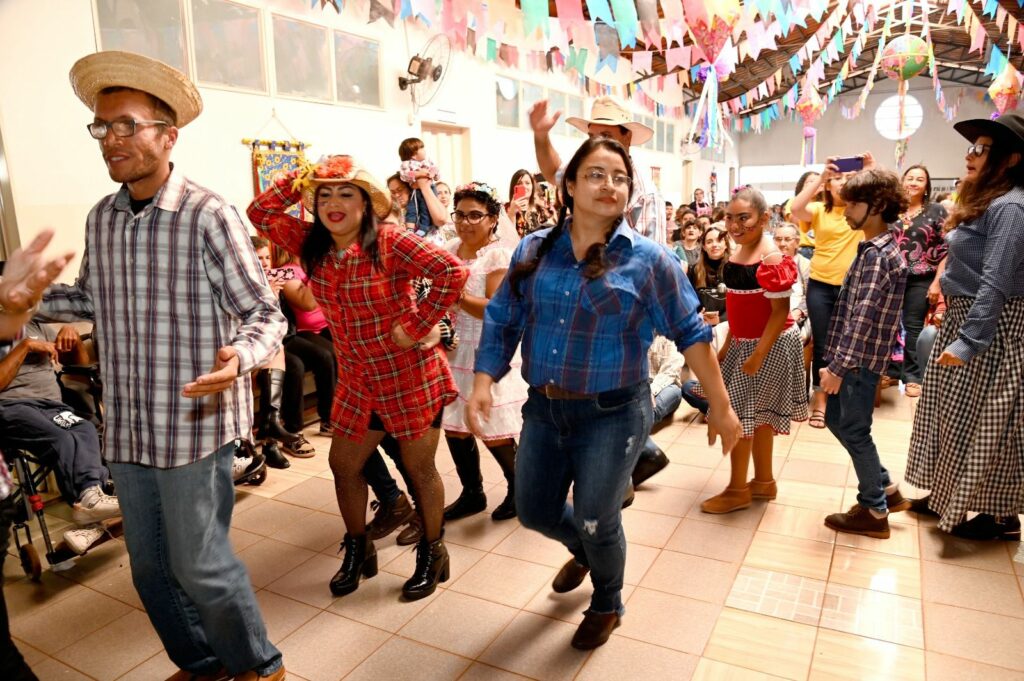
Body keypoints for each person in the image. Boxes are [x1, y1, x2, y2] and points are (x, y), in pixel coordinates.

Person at [41, 51, 287, 680]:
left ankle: (258, 667)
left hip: (193, 422)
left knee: (201, 565)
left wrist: (240, 358)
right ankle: (203, 663)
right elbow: (90, 300)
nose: (111, 139)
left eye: (127, 125)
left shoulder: (208, 215)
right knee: (149, 568)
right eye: (102, 126)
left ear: (168, 135)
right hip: (128, 425)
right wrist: (27, 296)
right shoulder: (103, 218)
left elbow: (265, 313)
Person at [466, 137, 741, 650]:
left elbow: (692, 334)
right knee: (534, 509)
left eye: (619, 177)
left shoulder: (649, 260)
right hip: (544, 408)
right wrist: (483, 378)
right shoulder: (534, 249)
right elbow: (504, 316)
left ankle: (607, 601)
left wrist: (721, 408)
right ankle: (587, 552)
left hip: (614, 413)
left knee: (597, 517)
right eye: (595, 174)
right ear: (569, 185)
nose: (609, 185)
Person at [247, 154, 468, 600]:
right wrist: (298, 178)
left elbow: (451, 271)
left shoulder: (389, 240)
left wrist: (417, 325)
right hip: (357, 380)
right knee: (344, 465)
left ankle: (433, 551)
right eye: (324, 195)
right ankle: (359, 547)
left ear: (366, 203)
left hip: (409, 376)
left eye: (346, 193)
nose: (334, 203)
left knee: (419, 469)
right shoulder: (311, 242)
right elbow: (260, 213)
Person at [905, 112, 1024, 540]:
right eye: (971, 147)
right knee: (951, 414)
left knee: (990, 420)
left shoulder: (1011, 206)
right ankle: (945, 495)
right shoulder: (989, 200)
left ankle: (1000, 515)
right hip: (965, 317)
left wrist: (969, 341)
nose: (970, 155)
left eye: (981, 149)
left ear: (1010, 159)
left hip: (991, 326)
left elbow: (996, 280)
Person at [699, 187, 808, 514]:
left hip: (769, 344)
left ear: (763, 218)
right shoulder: (740, 251)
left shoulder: (771, 257)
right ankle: (763, 481)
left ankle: (737, 490)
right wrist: (728, 346)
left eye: (743, 218)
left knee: (740, 417)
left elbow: (779, 313)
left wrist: (759, 353)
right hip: (746, 342)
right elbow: (740, 309)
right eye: (730, 218)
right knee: (757, 418)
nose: (735, 225)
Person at [819, 169, 912, 538]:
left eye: (853, 204)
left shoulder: (877, 255)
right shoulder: (879, 248)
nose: (845, 211)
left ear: (877, 205)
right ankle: (885, 487)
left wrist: (838, 367)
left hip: (858, 363)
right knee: (836, 420)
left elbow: (862, 318)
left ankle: (874, 510)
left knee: (855, 431)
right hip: (859, 360)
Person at [0, 229, 74, 681]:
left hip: (53, 403)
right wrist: (24, 341)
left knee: (81, 427)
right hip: (17, 410)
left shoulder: (29, 317)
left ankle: (92, 492)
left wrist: (57, 325)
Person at [440, 182, 527, 522]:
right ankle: (472, 493)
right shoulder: (449, 248)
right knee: (455, 426)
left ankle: (519, 489)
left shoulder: (498, 256)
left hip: (486, 346)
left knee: (491, 427)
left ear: (492, 219)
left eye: (475, 215)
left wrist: (455, 296)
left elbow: (494, 308)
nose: (465, 222)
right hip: (453, 348)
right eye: (460, 214)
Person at [0, 319, 120, 553]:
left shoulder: (37, 325)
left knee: (84, 429)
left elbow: (78, 364)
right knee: (62, 439)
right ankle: (89, 508)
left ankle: (90, 505)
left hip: (52, 407)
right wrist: (25, 346)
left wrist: (72, 337)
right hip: (12, 407)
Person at [790, 155, 870, 429]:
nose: (842, 182)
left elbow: (885, 202)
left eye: (847, 178)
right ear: (828, 185)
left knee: (851, 344)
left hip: (853, 286)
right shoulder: (818, 210)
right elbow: (795, 208)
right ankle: (821, 402)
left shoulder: (861, 209)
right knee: (823, 345)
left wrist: (870, 170)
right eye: (837, 178)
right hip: (820, 285)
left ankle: (845, 401)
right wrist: (821, 178)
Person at [529, 95, 667, 245]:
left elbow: (653, 257)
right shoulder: (583, 172)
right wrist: (541, 136)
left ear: (627, 137)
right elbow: (554, 172)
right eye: (591, 137)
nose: (596, 144)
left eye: (606, 136)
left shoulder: (645, 195)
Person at [885, 165, 947, 397]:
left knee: (912, 326)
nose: (913, 182)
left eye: (919, 179)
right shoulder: (891, 208)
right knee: (888, 324)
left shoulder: (937, 211)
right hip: (890, 277)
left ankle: (912, 376)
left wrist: (937, 283)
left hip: (921, 278)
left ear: (926, 186)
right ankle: (890, 371)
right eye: (909, 178)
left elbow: (947, 249)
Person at [681, 225, 731, 416]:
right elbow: (688, 301)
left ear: (726, 244)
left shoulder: (735, 268)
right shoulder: (695, 270)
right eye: (709, 241)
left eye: (719, 240)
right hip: (703, 324)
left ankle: (719, 405)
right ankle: (717, 404)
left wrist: (720, 321)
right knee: (688, 389)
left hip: (729, 326)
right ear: (703, 246)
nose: (714, 245)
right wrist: (697, 315)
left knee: (720, 330)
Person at [398, 137, 448, 242]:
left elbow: (435, 170)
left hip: (430, 188)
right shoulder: (407, 164)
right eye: (421, 148)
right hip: (415, 191)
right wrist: (418, 173)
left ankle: (423, 228)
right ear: (413, 154)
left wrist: (433, 174)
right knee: (412, 209)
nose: (424, 150)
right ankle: (410, 229)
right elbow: (404, 175)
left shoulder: (428, 161)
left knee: (426, 209)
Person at [773, 223, 812, 341]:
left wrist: (798, 312)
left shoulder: (805, 265)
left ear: (797, 242)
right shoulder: (766, 263)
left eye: (787, 239)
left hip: (797, 316)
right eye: (778, 239)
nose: (782, 244)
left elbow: (810, 295)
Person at [785, 171, 821, 260]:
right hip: (802, 248)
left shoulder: (824, 205)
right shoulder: (794, 202)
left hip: (820, 249)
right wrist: (807, 195)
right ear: (802, 185)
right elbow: (795, 222)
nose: (814, 185)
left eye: (818, 182)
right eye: (811, 182)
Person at [507, 168, 547, 237]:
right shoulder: (506, 209)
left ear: (532, 186)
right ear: (513, 187)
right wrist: (512, 213)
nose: (524, 186)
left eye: (527, 183)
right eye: (519, 183)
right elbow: (508, 237)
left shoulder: (540, 210)